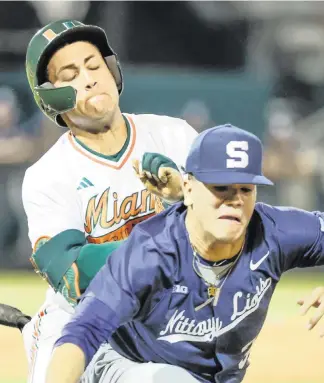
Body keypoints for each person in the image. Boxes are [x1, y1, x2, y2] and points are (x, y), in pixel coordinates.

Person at [46, 124, 324, 383]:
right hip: (125, 368)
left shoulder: (274, 232)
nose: (235, 200)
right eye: (220, 187)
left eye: (246, 188)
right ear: (188, 188)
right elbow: (83, 332)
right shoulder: (150, 251)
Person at [20, 19, 197, 383]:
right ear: (52, 95)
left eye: (94, 65)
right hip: (76, 325)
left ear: (112, 71)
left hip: (159, 323)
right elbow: (69, 272)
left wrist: (187, 196)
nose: (88, 77)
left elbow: (233, 224)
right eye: (70, 73)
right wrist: (158, 250)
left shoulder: (174, 136)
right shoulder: (47, 175)